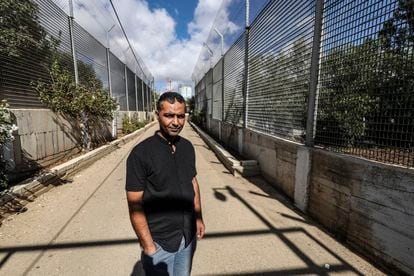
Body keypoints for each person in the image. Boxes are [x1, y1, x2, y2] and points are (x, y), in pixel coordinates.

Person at [126, 92, 205, 276]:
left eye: (180, 116)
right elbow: (134, 203)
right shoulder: (141, 154)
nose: (176, 122)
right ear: (157, 115)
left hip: (187, 236)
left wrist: (199, 217)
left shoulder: (187, 147)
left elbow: (193, 181)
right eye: (169, 115)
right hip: (160, 243)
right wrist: (149, 246)